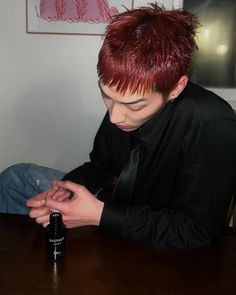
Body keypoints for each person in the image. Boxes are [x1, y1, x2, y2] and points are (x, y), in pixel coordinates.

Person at [0, 4, 236, 249]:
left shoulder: (212, 124)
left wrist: (99, 215)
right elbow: (100, 166)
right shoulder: (121, 105)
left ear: (176, 88)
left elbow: (196, 231)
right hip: (114, 203)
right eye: (106, 96)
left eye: (134, 105)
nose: (114, 117)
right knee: (12, 179)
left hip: (152, 235)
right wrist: (69, 189)